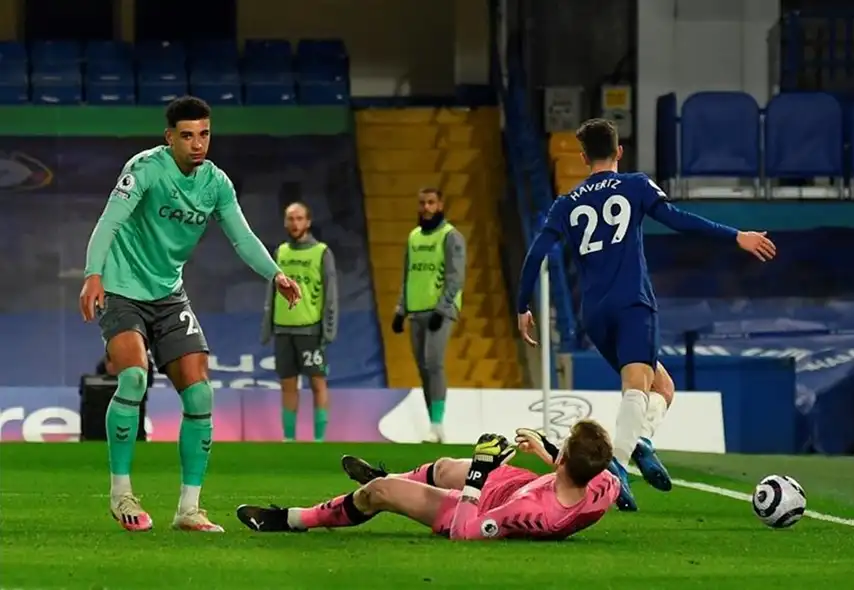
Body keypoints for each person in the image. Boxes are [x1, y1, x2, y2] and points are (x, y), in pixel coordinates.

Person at [515, 118, 777, 511]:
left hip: (594, 313)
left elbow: (537, 252)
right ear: (619, 151)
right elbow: (678, 220)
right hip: (632, 302)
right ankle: (616, 469)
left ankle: (639, 441)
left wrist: (522, 306)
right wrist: (735, 235)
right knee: (636, 387)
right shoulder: (635, 184)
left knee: (662, 388)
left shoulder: (566, 203)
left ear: (584, 158)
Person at [80, 96, 302, 533]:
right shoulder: (145, 169)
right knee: (133, 377)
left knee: (200, 394)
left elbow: (242, 237)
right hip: (121, 289)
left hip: (168, 296)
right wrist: (93, 274)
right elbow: (109, 221)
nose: (197, 143)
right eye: (187, 136)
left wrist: (275, 274)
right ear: (170, 138)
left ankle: (188, 509)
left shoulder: (216, 184)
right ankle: (121, 493)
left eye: (204, 134)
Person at [236, 420, 619, 540]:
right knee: (445, 466)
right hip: (522, 483)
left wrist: (478, 475)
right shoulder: (604, 483)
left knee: (379, 493)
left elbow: (465, 532)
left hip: (483, 507)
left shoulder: (533, 513)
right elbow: (595, 470)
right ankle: (394, 476)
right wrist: (549, 452)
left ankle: (292, 519)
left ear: (566, 461)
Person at [390, 187, 466, 443]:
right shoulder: (413, 237)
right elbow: (408, 275)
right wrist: (400, 310)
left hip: (440, 310)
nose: (426, 207)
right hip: (416, 309)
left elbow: (456, 277)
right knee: (423, 367)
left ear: (440, 205)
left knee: (434, 362)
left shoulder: (450, 236)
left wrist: (442, 309)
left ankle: (437, 424)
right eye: (422, 203)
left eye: (431, 202)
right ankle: (433, 424)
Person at [261, 202, 338, 442]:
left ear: (308, 221)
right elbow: (271, 292)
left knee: (317, 382)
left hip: (310, 329)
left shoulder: (322, 252)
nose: (295, 223)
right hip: (283, 328)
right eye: (290, 219)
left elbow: (331, 294)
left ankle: (319, 440)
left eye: (299, 218)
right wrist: (268, 326)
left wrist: (328, 330)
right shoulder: (281, 252)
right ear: (285, 222)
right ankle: (289, 439)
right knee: (287, 384)